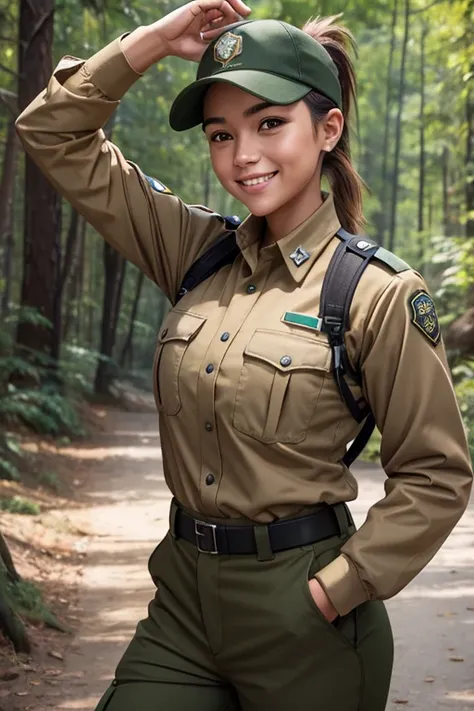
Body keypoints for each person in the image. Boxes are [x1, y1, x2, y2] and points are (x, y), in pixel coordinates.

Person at [15, 3, 473, 710]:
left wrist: (337, 588)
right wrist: (152, 43)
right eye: (220, 134)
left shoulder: (373, 292)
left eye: (269, 123)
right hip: (183, 608)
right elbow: (51, 132)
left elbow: (437, 474)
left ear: (327, 129)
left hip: (306, 615)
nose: (243, 155)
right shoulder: (198, 254)